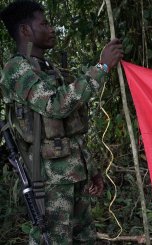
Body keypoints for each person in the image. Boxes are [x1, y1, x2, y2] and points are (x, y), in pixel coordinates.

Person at [0, 1, 123, 244]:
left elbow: (70, 129)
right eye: (44, 23)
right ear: (25, 31)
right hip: (49, 181)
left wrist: (91, 169)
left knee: (84, 238)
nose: (52, 28)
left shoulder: (48, 69)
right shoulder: (16, 69)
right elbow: (55, 105)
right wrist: (102, 67)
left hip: (74, 176)